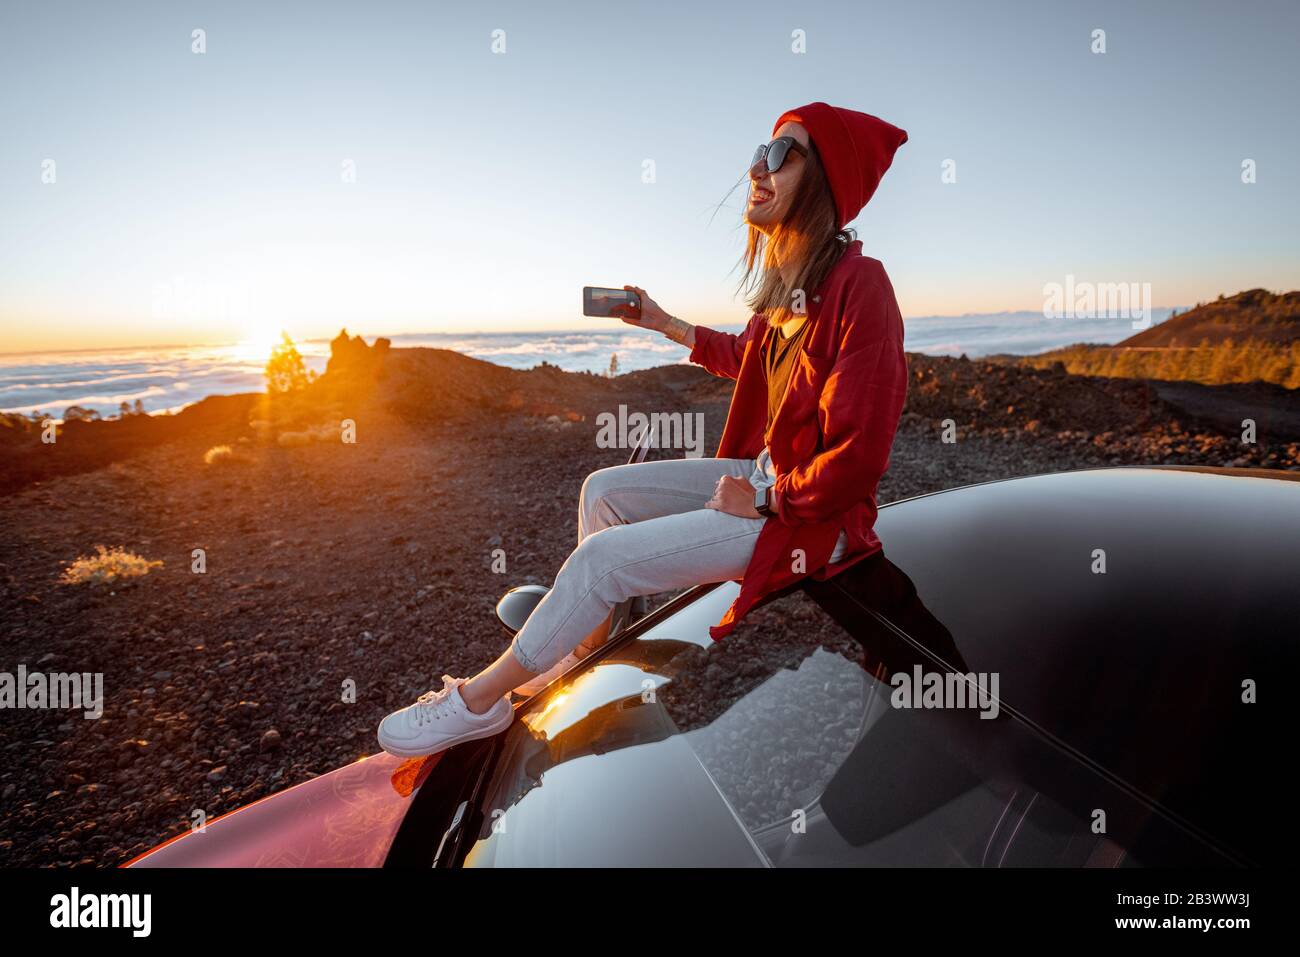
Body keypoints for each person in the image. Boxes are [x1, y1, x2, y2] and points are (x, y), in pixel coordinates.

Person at [377, 102, 910, 758]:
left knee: (601, 561)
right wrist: (662, 322)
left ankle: (479, 702)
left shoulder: (863, 285)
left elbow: (858, 459)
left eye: (782, 155)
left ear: (827, 179)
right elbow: (750, 359)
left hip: (810, 519)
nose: (756, 168)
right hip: (769, 483)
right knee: (602, 491)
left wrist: (767, 499)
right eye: (757, 152)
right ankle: (582, 649)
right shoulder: (794, 287)